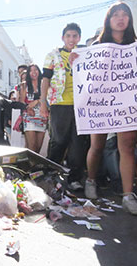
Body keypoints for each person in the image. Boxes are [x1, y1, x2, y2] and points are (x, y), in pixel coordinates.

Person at [72, 2, 137, 214]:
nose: (120, 18)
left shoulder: (134, 47)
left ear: (130, 19)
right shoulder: (95, 47)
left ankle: (128, 195)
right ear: (108, 21)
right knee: (97, 146)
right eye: (115, 15)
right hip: (100, 106)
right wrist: (76, 62)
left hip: (126, 106)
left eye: (124, 14)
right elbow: (83, 75)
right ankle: (91, 180)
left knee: (126, 147)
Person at [40, 23, 87, 191]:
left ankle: (75, 179)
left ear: (79, 38)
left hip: (81, 106)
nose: (72, 39)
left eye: (75, 36)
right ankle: (50, 174)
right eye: (68, 36)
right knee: (58, 141)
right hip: (59, 104)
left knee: (78, 144)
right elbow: (45, 79)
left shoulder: (85, 54)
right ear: (63, 38)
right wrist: (43, 101)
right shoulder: (53, 55)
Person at [20, 64, 46, 153]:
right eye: (31, 70)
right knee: (32, 146)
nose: (33, 72)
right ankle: (30, 167)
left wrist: (37, 101)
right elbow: (22, 102)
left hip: (42, 116)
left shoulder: (44, 84)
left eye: (36, 70)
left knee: (38, 147)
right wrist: (28, 109)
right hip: (29, 116)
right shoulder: (24, 85)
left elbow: (48, 98)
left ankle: (32, 165)